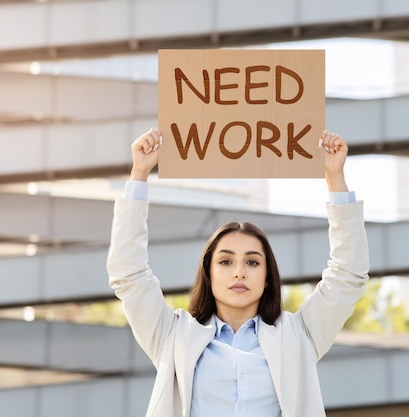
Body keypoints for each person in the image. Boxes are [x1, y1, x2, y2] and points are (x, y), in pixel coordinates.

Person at [107, 127, 369, 417]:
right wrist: (140, 173)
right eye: (226, 261)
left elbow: (347, 274)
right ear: (209, 272)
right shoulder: (173, 336)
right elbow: (129, 274)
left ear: (268, 276)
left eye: (253, 262)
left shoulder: (298, 336)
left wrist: (335, 177)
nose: (239, 272)